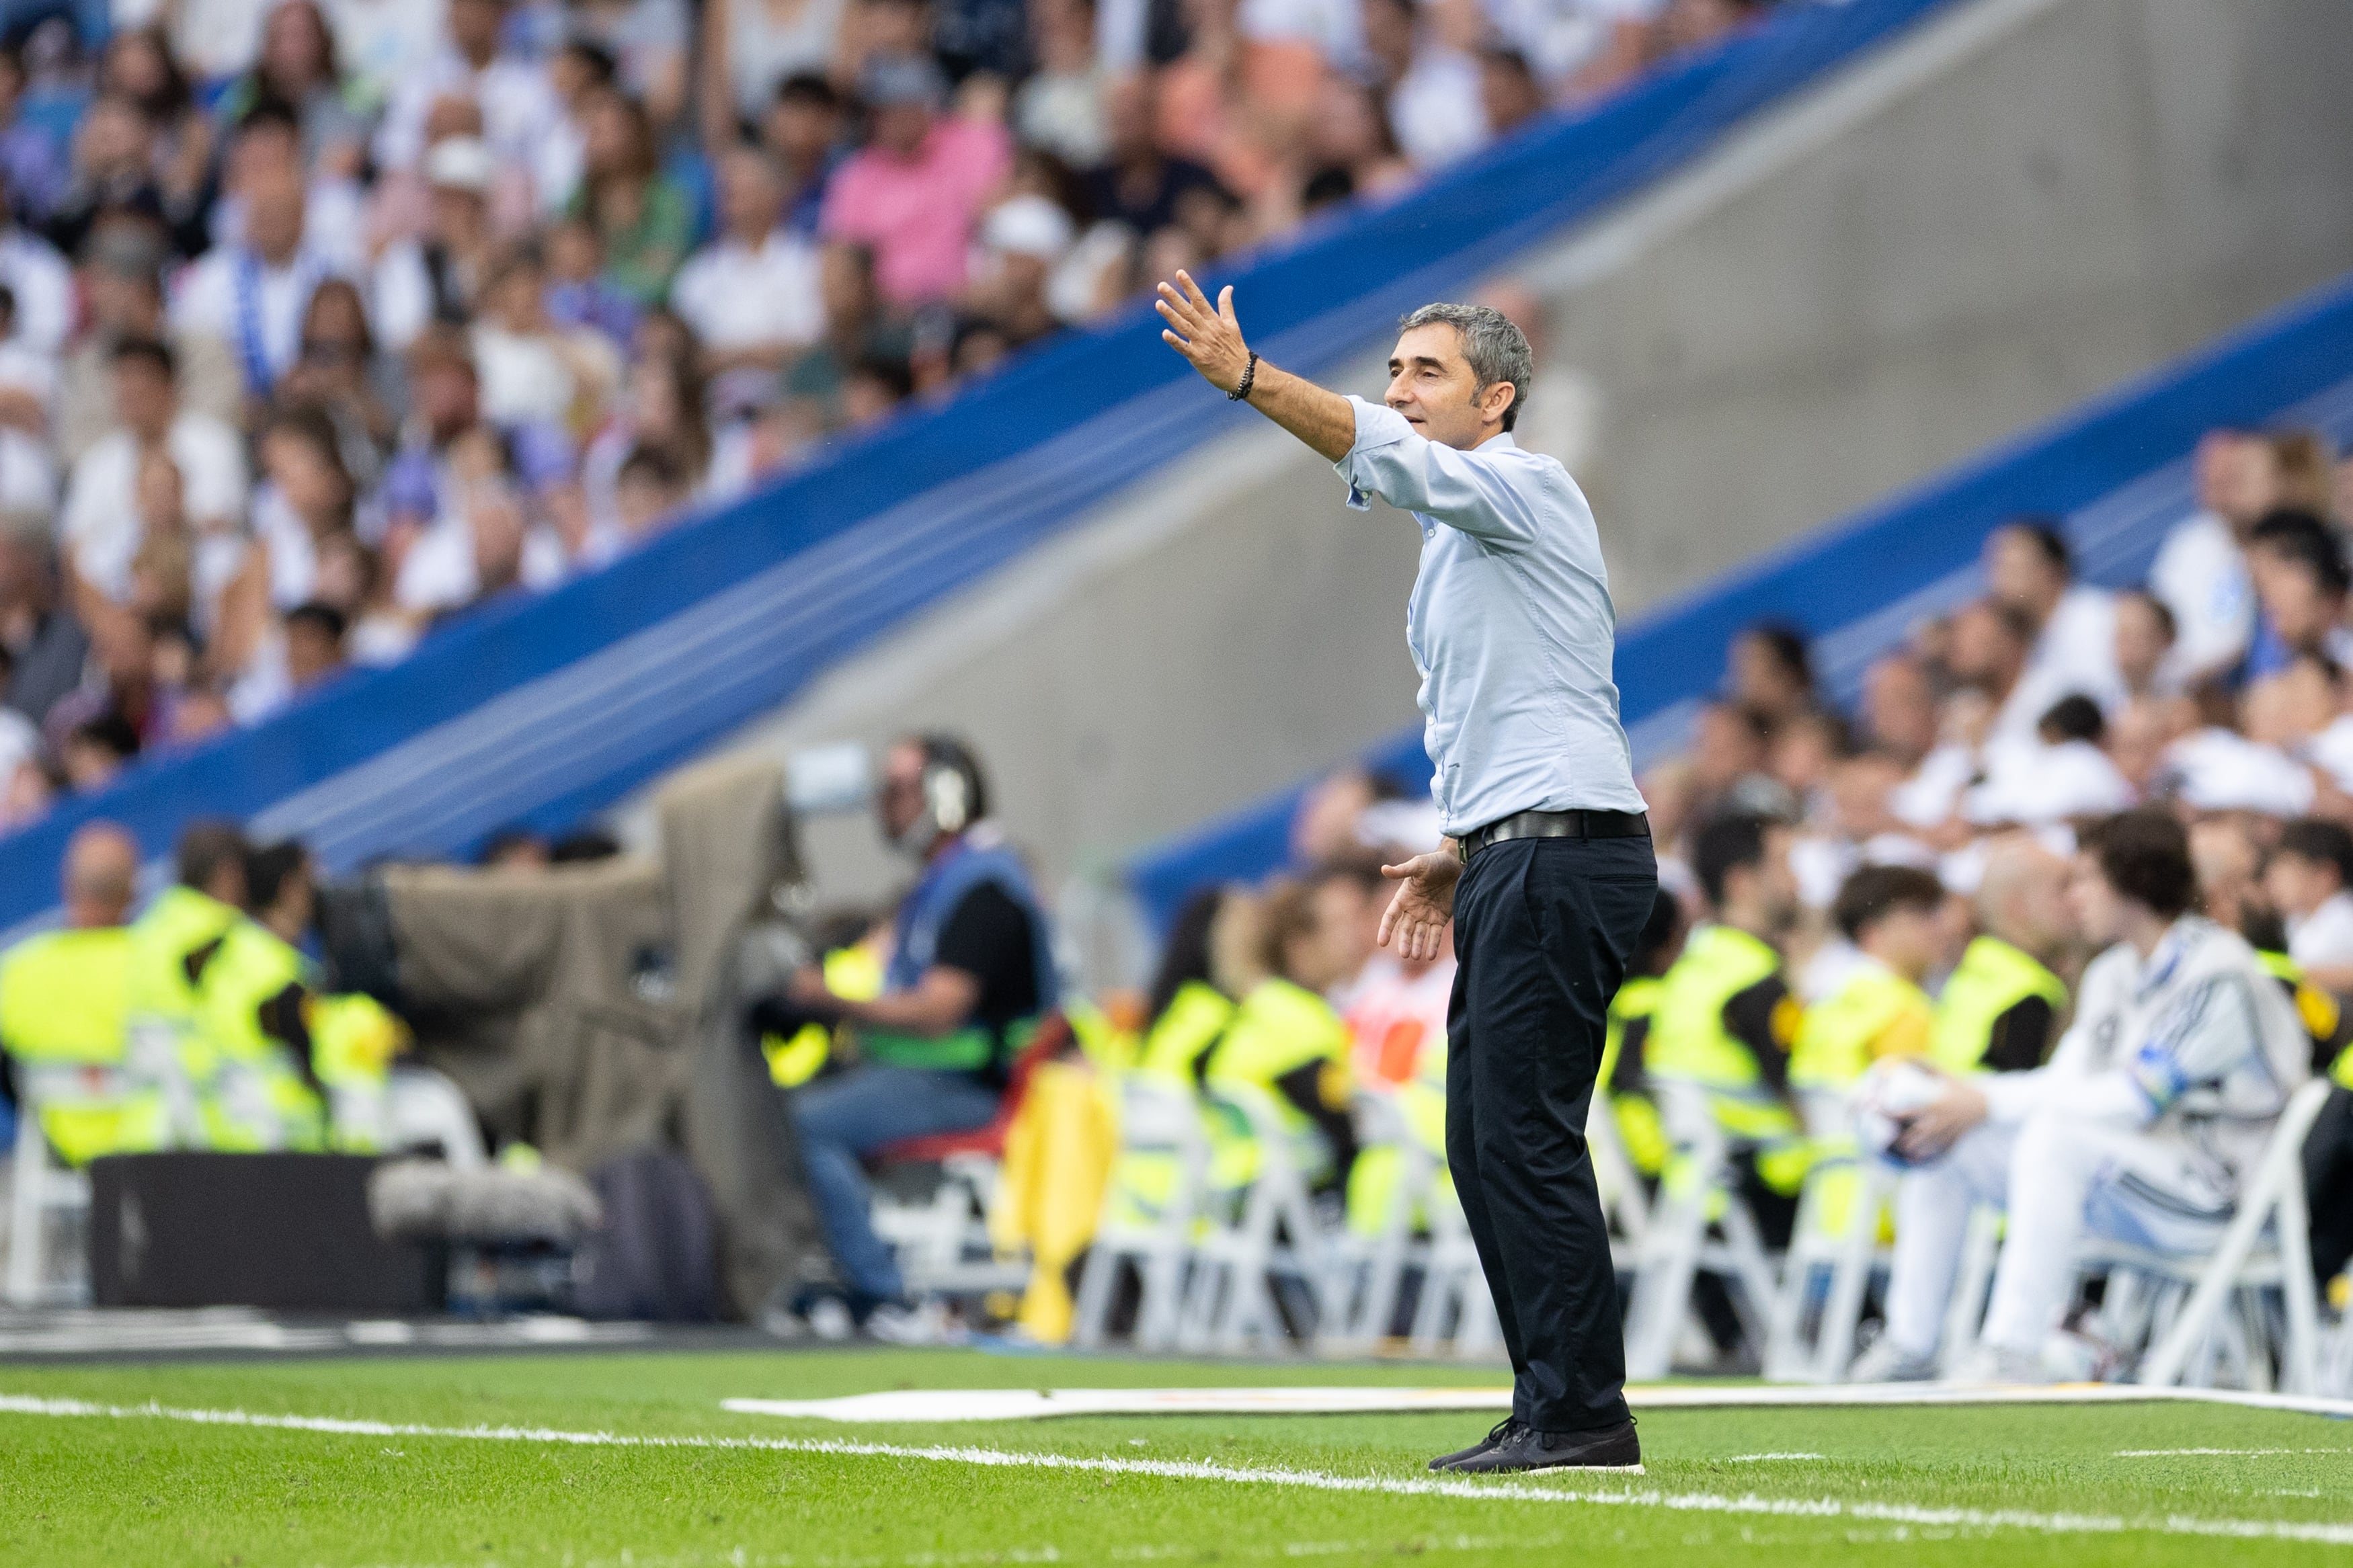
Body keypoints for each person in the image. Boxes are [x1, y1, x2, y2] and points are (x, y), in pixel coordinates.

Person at [1156, 274, 1653, 1472]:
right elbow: (1514, 704)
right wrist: (1462, 844)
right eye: (1392, 370)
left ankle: (1583, 1411)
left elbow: (1381, 450)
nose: (1397, 392)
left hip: (1565, 851)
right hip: (1520, 847)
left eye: (1425, 372)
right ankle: (1552, 1399)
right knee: (1484, 1137)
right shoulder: (1465, 536)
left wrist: (1247, 376)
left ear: (1499, 399)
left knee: (1520, 1135)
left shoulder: (1521, 483)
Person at [1858, 809, 2309, 1383]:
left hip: (2226, 1192)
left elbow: (2135, 1099)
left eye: (2086, 879)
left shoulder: (2218, 971)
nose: (2074, 898)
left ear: (2135, 881)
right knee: (1947, 1140)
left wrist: (1988, 1103)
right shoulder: (2112, 973)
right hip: (2143, 1175)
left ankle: (2011, 1354)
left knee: (2054, 1139)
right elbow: (2067, 1084)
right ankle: (1910, 1345)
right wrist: (1965, 1098)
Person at [764, 734, 1056, 1339]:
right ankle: (831, 1270)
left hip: (965, 1083)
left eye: (898, 790)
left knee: (805, 1123)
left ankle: (881, 1289)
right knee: (791, 1105)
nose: (883, 805)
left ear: (946, 796)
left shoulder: (984, 890)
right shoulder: (942, 885)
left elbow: (939, 1011)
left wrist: (830, 999)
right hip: (923, 1075)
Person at [0, 821, 164, 1167]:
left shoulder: (19, 970)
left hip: (58, 1148)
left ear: (68, 886)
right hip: (153, 1150)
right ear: (134, 891)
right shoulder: (158, 964)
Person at [1927, 834, 2070, 1075]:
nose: (2075, 899)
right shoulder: (2029, 992)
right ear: (2017, 907)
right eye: (2061, 889)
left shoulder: (1976, 963)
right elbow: (2018, 1092)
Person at [2262, 817, 2353, 995]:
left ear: (2326, 875)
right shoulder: (2295, 920)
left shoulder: (2344, 916)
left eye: (2288, 866)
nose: (2275, 878)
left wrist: (2283, 971)